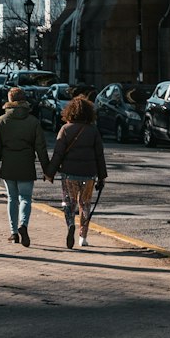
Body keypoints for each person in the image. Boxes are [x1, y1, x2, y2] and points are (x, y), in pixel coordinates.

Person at [0, 86, 50, 246]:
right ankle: (23, 224)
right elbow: (41, 148)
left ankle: (14, 232)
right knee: (25, 198)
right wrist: (47, 169)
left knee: (12, 198)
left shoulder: (1, 121)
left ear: (9, 100)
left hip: (8, 166)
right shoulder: (33, 122)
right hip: (26, 165)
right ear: (24, 100)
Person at [46, 94, 106, 249]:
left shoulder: (65, 129)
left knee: (69, 202)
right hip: (89, 174)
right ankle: (83, 237)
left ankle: (70, 224)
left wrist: (50, 172)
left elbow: (58, 154)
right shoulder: (93, 131)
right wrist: (102, 176)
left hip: (69, 173)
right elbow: (100, 155)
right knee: (85, 204)